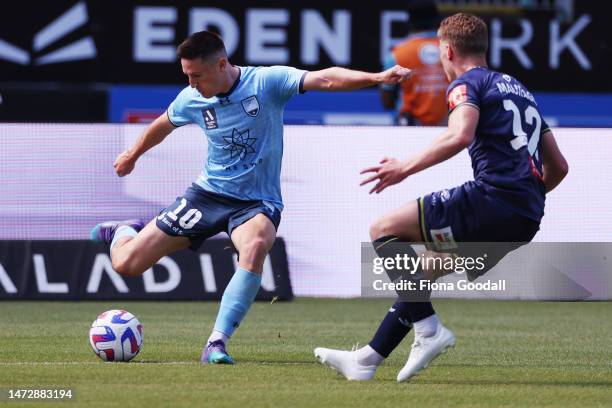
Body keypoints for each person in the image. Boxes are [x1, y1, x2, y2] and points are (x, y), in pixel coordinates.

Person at [90, 31, 411, 365]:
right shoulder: (191, 98)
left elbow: (326, 79)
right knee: (127, 264)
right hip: (207, 195)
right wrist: (132, 153)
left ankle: (216, 342)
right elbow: (163, 124)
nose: (191, 83)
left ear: (222, 64)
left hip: (256, 202)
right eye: (186, 75)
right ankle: (125, 231)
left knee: (256, 244)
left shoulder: (266, 82)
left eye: (196, 75)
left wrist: (377, 77)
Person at [314, 13, 569, 382]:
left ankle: (429, 330)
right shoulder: (520, 90)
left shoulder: (466, 84)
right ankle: (367, 360)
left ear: (446, 49)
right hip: (526, 217)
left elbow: (459, 135)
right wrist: (523, 199)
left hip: (492, 198)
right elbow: (558, 166)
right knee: (422, 272)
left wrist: (403, 168)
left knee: (384, 230)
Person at [380, 0, 447, 126]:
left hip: (409, 131)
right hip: (447, 131)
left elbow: (386, 102)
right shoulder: (452, 50)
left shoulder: (396, 55)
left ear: (409, 22)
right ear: (438, 21)